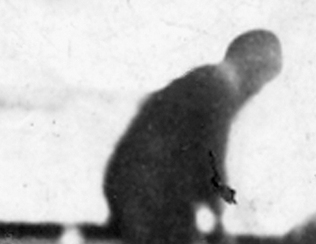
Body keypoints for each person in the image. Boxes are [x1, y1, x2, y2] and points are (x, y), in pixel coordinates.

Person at [103, 29, 283, 244]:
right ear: (252, 67)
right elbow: (211, 162)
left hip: (140, 191)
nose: (256, 91)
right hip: (145, 196)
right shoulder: (218, 89)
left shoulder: (203, 81)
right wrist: (219, 219)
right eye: (262, 81)